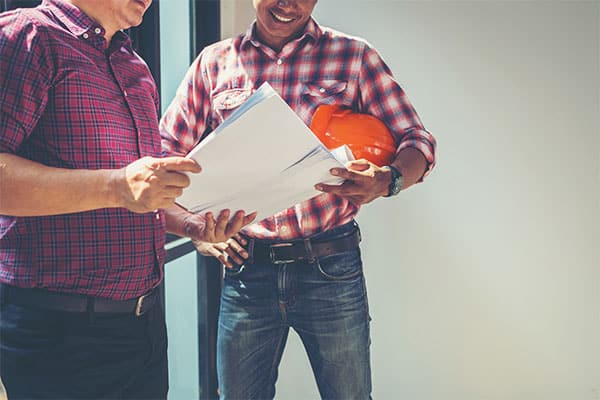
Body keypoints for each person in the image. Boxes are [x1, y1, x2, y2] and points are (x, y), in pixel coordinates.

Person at [160, 0, 437, 398]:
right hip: (246, 273)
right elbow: (166, 154)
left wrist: (389, 179)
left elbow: (416, 140)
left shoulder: (353, 57)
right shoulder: (213, 63)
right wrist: (197, 230)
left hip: (330, 267)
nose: (289, 3)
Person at [0, 1, 255, 399]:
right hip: (59, 335)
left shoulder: (134, 66)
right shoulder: (28, 35)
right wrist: (116, 186)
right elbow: (122, 186)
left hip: (144, 327)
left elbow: (142, 193)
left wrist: (191, 225)